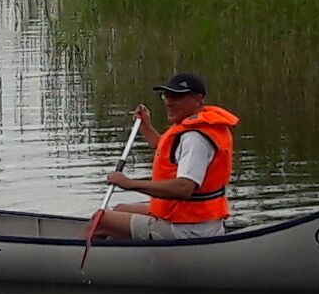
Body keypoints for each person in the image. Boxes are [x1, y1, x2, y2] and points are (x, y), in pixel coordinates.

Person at [100, 70, 234, 240]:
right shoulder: (194, 126)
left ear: (198, 99)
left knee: (102, 220)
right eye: (167, 96)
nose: (169, 103)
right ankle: (121, 259)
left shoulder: (195, 138)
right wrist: (145, 126)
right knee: (120, 209)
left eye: (177, 97)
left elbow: (184, 188)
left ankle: (77, 261)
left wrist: (129, 183)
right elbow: (163, 149)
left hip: (189, 229)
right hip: (190, 218)